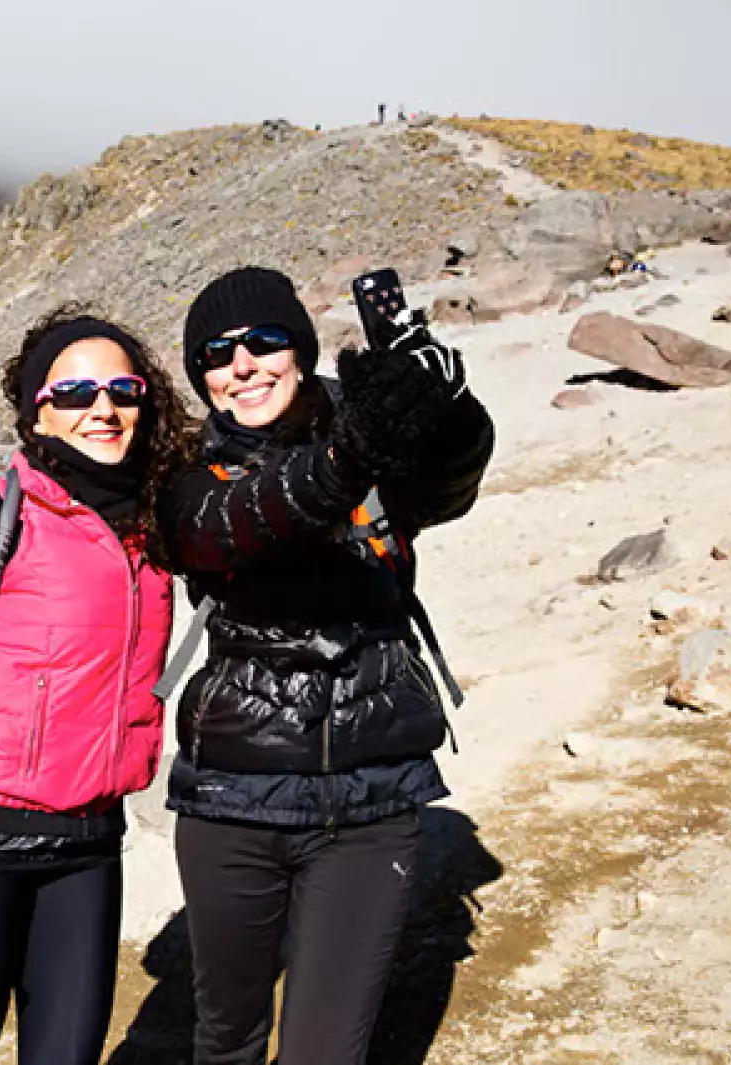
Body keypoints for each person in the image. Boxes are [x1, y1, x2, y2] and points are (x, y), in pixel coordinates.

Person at [158, 267, 494, 1064]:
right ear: (201, 377)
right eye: (217, 354)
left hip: (372, 804)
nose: (243, 365)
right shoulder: (186, 476)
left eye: (265, 343)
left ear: (302, 352)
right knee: (227, 1036)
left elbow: (452, 480)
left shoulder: (370, 435)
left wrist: (446, 406)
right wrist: (353, 452)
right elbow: (242, 522)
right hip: (232, 798)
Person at [0, 307, 192, 1065]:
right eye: (77, 391)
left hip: (87, 849)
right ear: (38, 411)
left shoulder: (152, 529)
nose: (103, 409)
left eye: (123, 389)